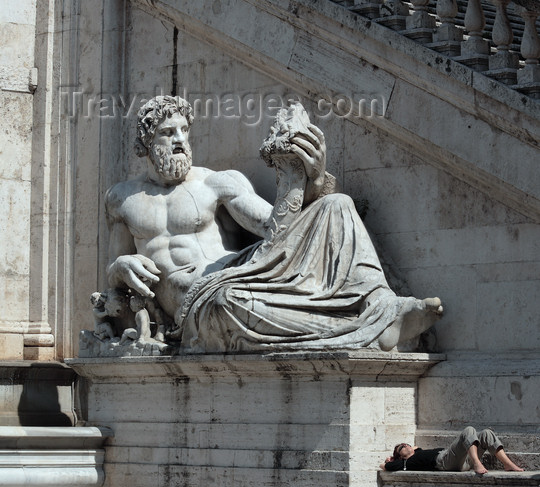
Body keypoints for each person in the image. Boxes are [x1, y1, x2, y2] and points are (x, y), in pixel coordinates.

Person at [105, 95, 443, 353]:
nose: (179, 140)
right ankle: (361, 328)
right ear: (146, 144)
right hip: (197, 302)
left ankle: (381, 306)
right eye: (167, 133)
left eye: (184, 131)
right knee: (228, 302)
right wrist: (120, 266)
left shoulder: (216, 182)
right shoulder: (123, 198)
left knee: (336, 204)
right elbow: (111, 276)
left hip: (237, 270)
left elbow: (276, 226)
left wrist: (314, 174)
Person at [379, 426, 525, 474]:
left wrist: (414, 448)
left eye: (406, 444)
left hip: (459, 459)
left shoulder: (418, 452)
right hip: (444, 461)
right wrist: (388, 461)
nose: (405, 445)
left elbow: (416, 448)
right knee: (469, 430)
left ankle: (508, 464)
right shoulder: (407, 463)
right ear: (400, 456)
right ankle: (476, 463)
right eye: (401, 447)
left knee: (486, 433)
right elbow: (386, 466)